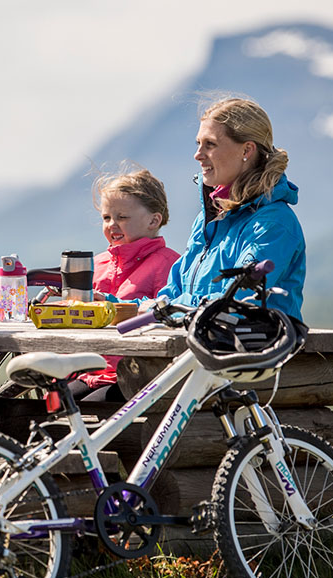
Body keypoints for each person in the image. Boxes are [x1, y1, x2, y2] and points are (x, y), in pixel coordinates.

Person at [156, 97, 305, 321]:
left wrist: (166, 308)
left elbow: (234, 302)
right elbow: (172, 293)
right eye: (198, 143)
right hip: (204, 346)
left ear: (247, 149)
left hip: (257, 352)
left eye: (210, 144)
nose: (197, 154)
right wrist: (114, 305)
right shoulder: (208, 218)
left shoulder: (273, 224)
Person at [70, 167, 180, 402]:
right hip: (91, 370)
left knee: (85, 410)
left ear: (154, 220)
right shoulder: (97, 264)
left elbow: (165, 318)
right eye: (107, 218)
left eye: (122, 217)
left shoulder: (168, 264)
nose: (112, 224)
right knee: (50, 405)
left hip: (137, 377)